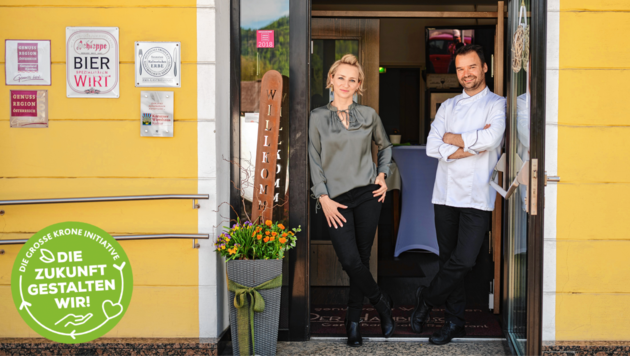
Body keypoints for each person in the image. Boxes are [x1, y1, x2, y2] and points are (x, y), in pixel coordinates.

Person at [411, 44, 506, 345]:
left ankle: (426, 298)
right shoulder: (448, 107)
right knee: (447, 261)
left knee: (464, 261)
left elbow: (492, 139)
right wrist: (470, 147)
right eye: (461, 69)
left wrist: (453, 142)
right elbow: (431, 146)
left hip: (477, 195)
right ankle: (455, 321)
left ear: (484, 68)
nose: (466, 74)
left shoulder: (498, 105)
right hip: (445, 194)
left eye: (472, 67)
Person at [308, 54, 395, 347]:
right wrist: (323, 197)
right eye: (341, 78)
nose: (346, 84)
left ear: (360, 85)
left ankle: (353, 323)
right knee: (350, 260)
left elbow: (385, 146)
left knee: (360, 257)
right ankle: (381, 302)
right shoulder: (317, 117)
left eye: (352, 80)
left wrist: (382, 176)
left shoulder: (369, 115)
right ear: (331, 79)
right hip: (336, 200)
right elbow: (313, 160)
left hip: (368, 195)